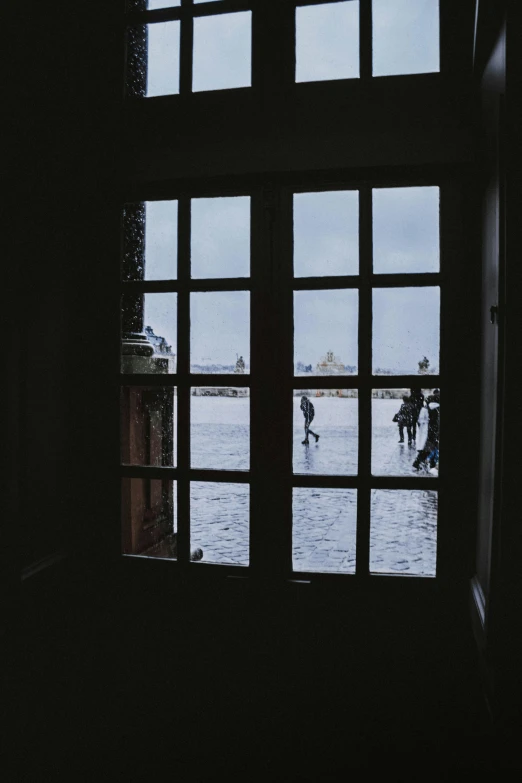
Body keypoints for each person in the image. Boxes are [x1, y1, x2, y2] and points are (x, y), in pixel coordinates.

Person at [413, 389, 440, 470]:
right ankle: (427, 464)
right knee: (432, 448)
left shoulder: (425, 408)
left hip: (428, 431)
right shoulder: (438, 408)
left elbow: (420, 420)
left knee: (429, 448)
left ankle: (421, 463)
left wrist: (426, 423)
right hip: (435, 431)